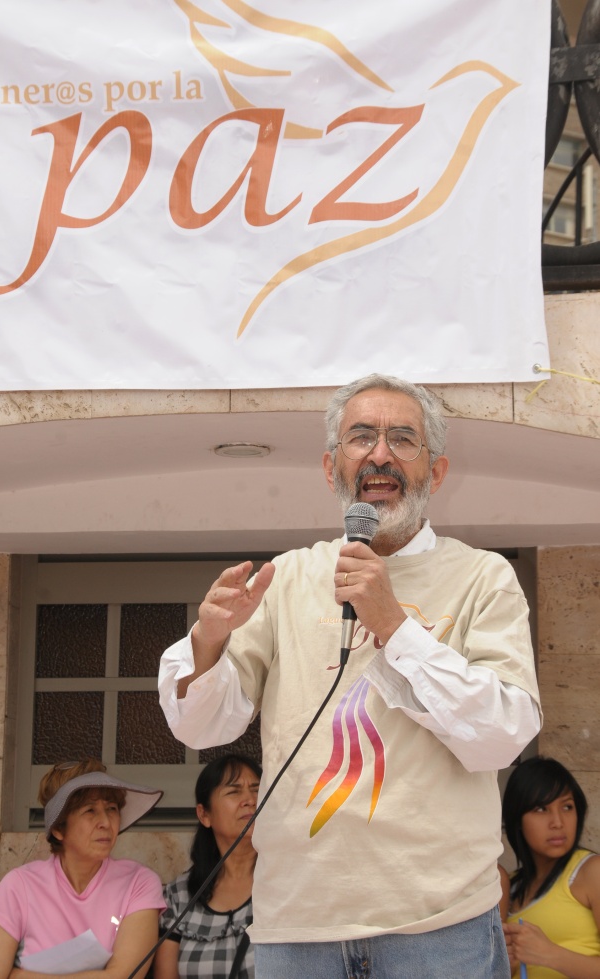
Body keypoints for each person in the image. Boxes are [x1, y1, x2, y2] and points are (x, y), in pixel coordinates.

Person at [158, 373, 542, 979]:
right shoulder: (287, 577)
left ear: (437, 471)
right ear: (331, 466)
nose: (379, 454)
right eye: (361, 437)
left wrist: (394, 625)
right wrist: (208, 640)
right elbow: (203, 727)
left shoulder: (484, 577)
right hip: (299, 925)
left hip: (437, 927)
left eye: (402, 439)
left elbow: (504, 735)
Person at [0, 758, 166, 979]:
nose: (106, 822)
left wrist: (19, 976)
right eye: (90, 811)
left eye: (111, 809)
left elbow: (123, 975)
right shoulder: (19, 886)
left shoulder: (138, 883)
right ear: (58, 828)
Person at [153, 753, 261, 979]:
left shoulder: (287, 884)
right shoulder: (179, 896)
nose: (250, 800)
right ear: (204, 815)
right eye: (234, 792)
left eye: (257, 789)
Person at [501, 756, 600, 977]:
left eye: (567, 807)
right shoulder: (508, 886)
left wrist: (550, 955)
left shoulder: (591, 871)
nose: (558, 822)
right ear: (517, 818)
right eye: (541, 809)